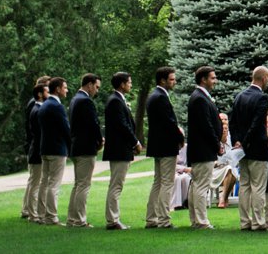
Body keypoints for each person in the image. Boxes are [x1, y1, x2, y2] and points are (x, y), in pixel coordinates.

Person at [230, 65, 268, 231]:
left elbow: (232, 122)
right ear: (264, 79)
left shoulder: (239, 96)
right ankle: (258, 222)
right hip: (256, 148)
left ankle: (244, 222)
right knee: (258, 187)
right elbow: (256, 124)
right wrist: (245, 142)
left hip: (242, 150)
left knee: (245, 186)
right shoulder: (262, 98)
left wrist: (237, 142)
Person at [144, 66, 184, 229]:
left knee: (158, 182)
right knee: (167, 182)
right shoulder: (160, 97)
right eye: (172, 79)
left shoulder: (154, 96)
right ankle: (163, 219)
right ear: (163, 80)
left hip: (157, 145)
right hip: (166, 146)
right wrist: (180, 137)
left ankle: (152, 218)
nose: (174, 82)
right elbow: (169, 122)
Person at [103, 72, 141, 230]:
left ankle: (113, 218)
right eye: (129, 82)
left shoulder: (118, 100)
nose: (131, 85)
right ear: (122, 84)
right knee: (116, 185)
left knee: (117, 184)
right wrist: (135, 142)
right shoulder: (115, 101)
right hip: (119, 149)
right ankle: (112, 220)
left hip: (120, 148)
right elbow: (122, 125)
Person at [186, 66, 222, 230]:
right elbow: (206, 126)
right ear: (203, 79)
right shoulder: (199, 98)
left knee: (196, 185)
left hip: (200, 148)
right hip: (203, 149)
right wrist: (217, 144)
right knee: (201, 186)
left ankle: (195, 219)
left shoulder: (200, 96)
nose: (215, 81)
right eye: (212, 78)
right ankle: (201, 221)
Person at [67, 73, 103, 227]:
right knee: (83, 185)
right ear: (89, 84)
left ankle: (72, 218)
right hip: (85, 147)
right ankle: (80, 219)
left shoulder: (75, 100)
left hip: (76, 146)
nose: (97, 90)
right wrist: (99, 140)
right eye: (96, 87)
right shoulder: (86, 101)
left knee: (78, 184)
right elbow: (93, 124)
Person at [36, 76, 72, 225]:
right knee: (54, 184)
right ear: (57, 89)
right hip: (57, 149)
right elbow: (65, 129)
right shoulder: (56, 106)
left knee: (45, 183)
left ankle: (42, 214)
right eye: (65, 87)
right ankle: (51, 216)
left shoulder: (44, 105)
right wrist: (71, 146)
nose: (67, 90)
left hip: (45, 148)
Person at [21, 78, 49, 222]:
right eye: (47, 91)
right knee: (35, 183)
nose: (49, 94)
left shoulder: (37, 108)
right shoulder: (37, 109)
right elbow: (37, 133)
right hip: (36, 150)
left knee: (35, 182)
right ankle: (32, 213)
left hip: (36, 149)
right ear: (39, 94)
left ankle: (34, 211)